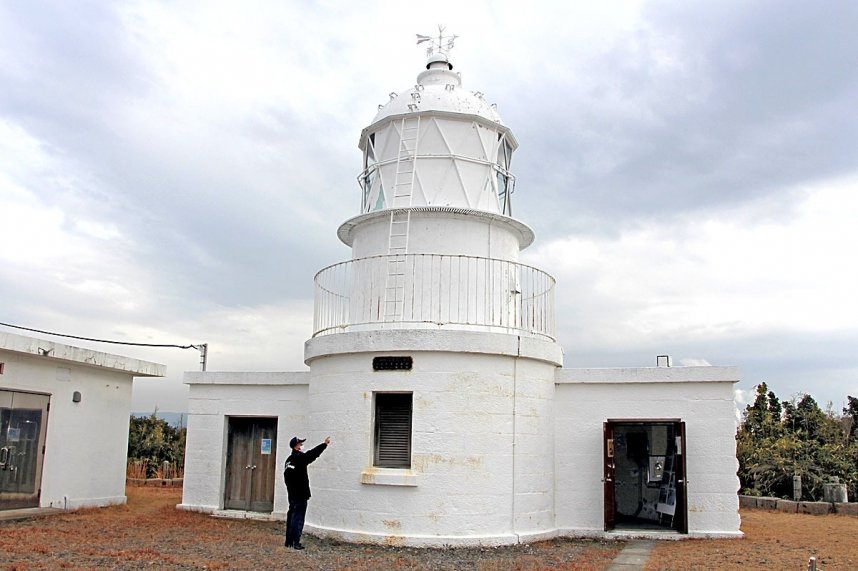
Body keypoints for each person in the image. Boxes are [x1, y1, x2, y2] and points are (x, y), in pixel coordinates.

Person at [283, 435, 331, 549]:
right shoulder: (299, 458)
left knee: (291, 516)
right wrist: (324, 445)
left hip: (292, 494)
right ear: (296, 447)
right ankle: (295, 542)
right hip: (300, 494)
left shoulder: (289, 460)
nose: (302, 446)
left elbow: (286, 477)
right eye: (300, 444)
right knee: (298, 518)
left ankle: (289, 541)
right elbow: (312, 454)